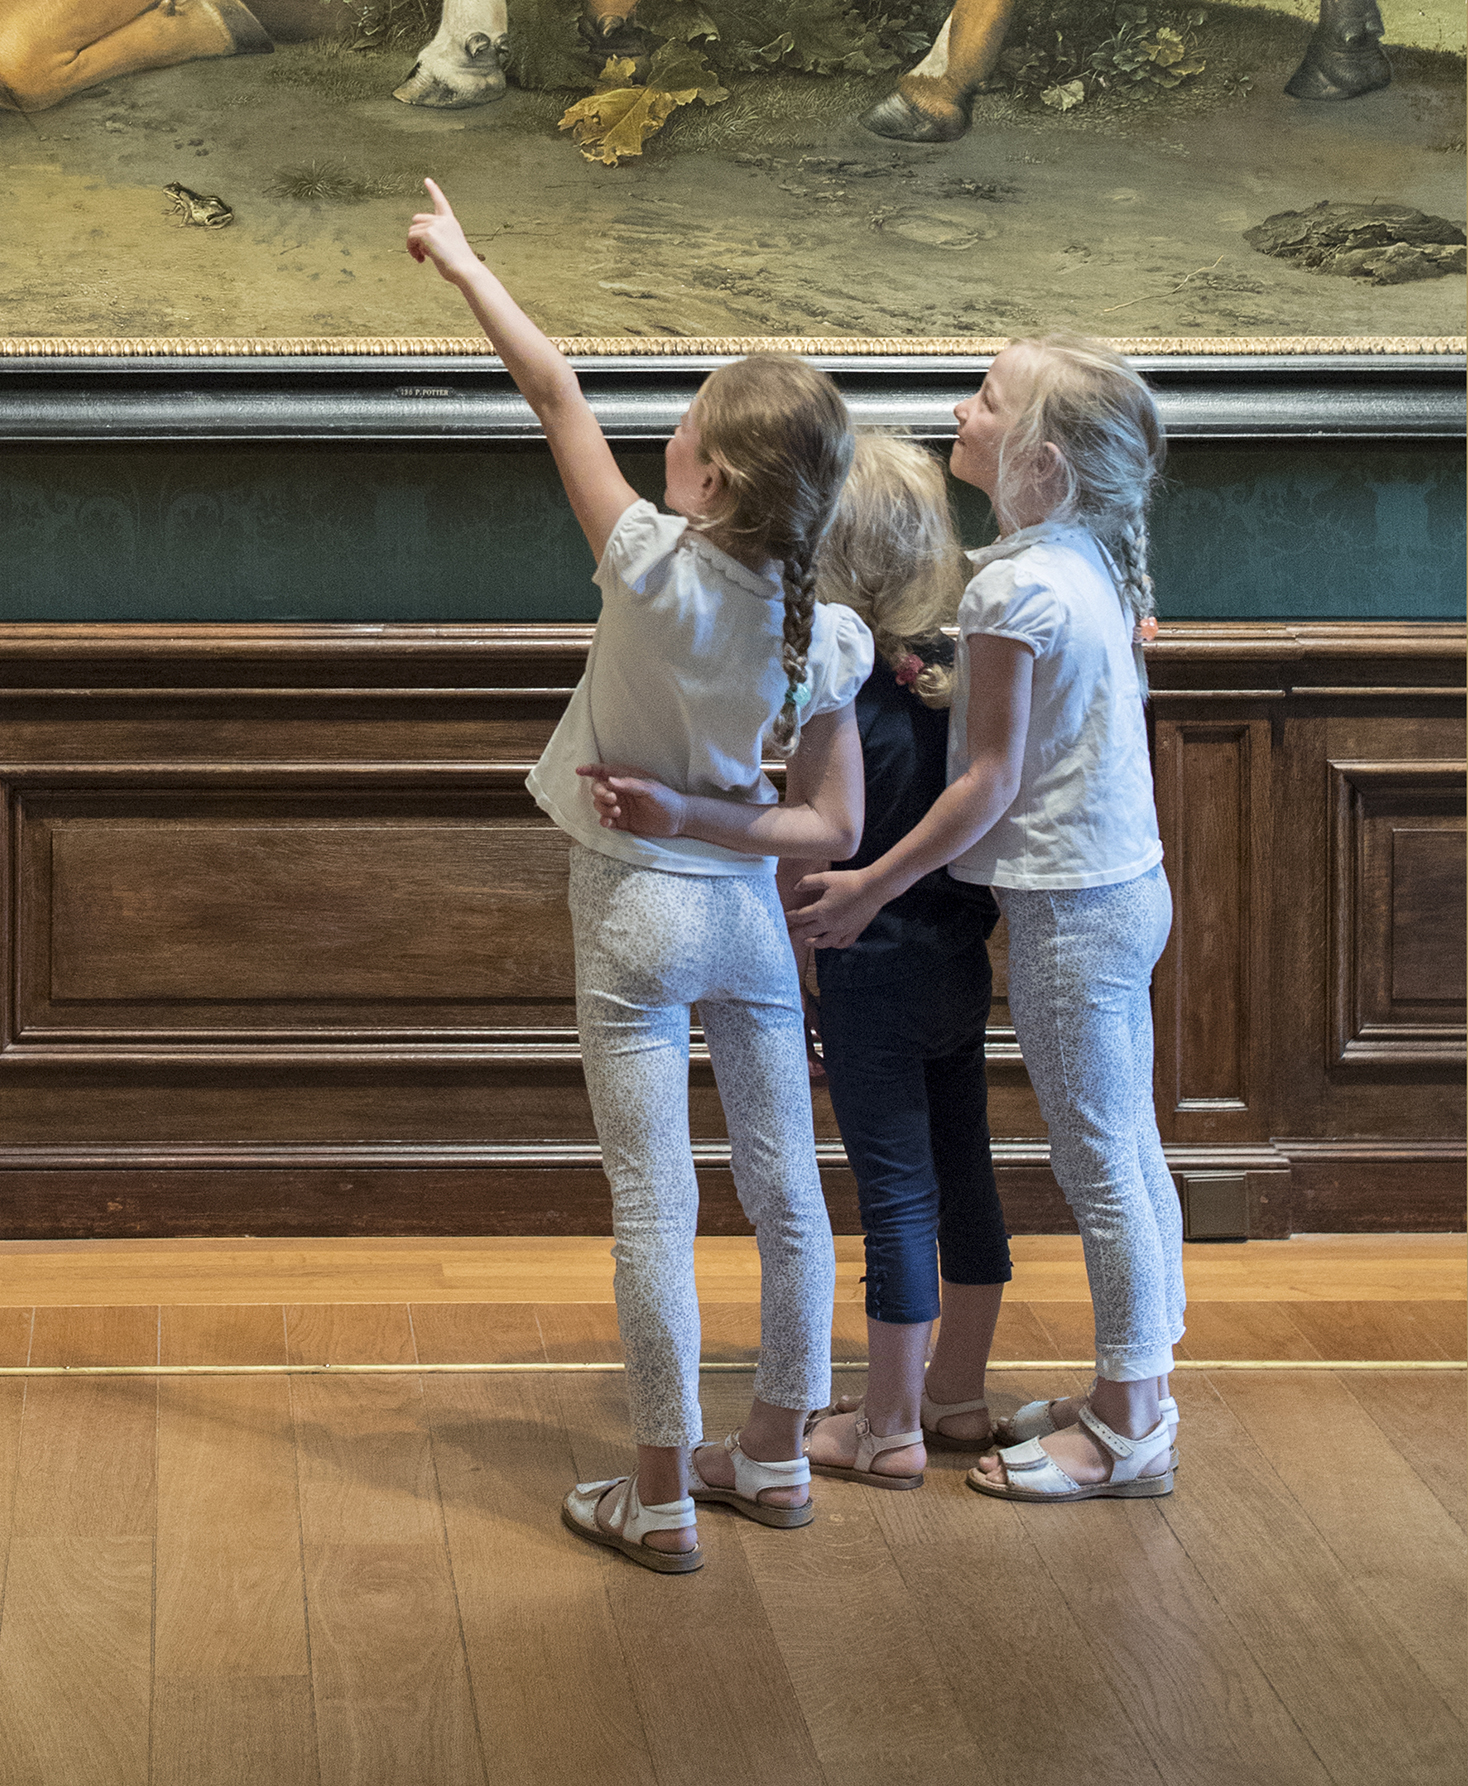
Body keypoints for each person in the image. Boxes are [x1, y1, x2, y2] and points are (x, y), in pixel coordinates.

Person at [405, 178, 868, 1573]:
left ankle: (663, 1492)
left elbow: (551, 392)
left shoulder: (647, 564)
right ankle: (776, 1457)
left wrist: (465, 258)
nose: (662, 437)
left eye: (683, 427)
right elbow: (829, 830)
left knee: (654, 1206)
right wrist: (706, 811)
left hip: (634, 909)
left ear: (710, 479)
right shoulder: (830, 635)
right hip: (743, 924)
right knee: (789, 1197)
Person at [791, 338, 1182, 1505]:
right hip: (1124, 892)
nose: (960, 412)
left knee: (1100, 1161)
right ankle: (1139, 1388)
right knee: (1128, 1150)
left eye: (985, 401)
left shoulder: (1014, 585)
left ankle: (1127, 1427)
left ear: (1040, 461)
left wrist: (869, 884)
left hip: (1070, 908)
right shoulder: (1084, 562)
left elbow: (988, 781)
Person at [788, 433, 1013, 1487]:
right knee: (963, 1168)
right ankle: (954, 1394)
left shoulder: (838, 700)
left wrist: (798, 980)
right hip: (960, 960)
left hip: (866, 963)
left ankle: (885, 1427)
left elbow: (814, 850)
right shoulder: (959, 689)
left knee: (891, 1190)